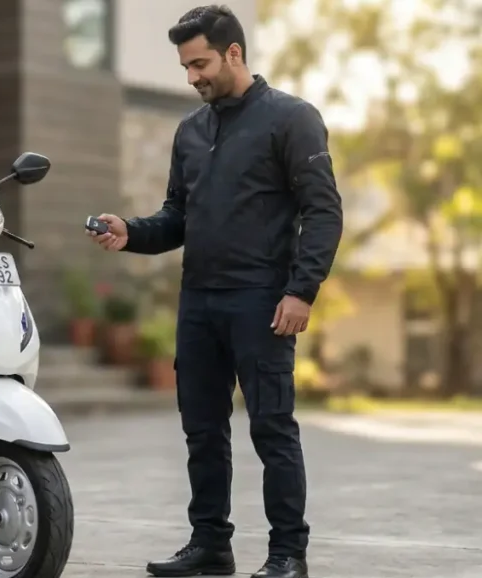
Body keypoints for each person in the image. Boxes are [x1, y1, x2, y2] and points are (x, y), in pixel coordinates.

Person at [87, 5, 342, 578]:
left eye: (199, 63)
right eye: (184, 66)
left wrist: (302, 290)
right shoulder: (191, 131)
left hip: (262, 301)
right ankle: (210, 545)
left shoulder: (291, 119)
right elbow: (177, 218)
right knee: (201, 430)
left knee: (272, 428)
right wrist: (132, 233)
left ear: (234, 52)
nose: (191, 76)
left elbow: (323, 211)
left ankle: (287, 555)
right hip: (198, 301)